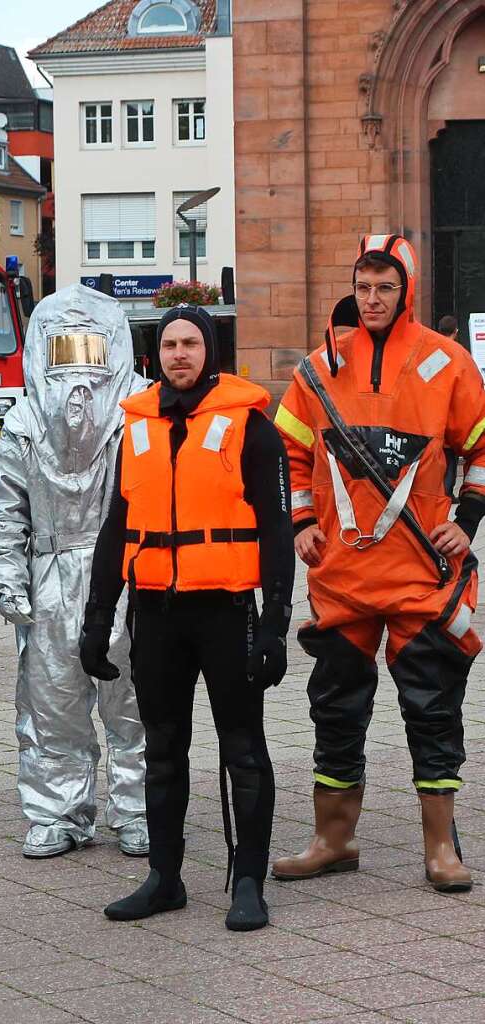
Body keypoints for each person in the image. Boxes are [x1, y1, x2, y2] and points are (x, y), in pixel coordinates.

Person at [272, 234, 485, 893]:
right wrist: (301, 522)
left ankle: (439, 851)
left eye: (383, 288)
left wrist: (465, 522)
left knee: (432, 707)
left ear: (406, 291)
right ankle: (332, 840)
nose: (370, 299)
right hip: (341, 575)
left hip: (423, 576)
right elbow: (290, 455)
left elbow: (480, 447)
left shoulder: (446, 364)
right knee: (334, 707)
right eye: (362, 287)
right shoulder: (319, 367)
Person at [81, 305, 295, 931]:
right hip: (157, 614)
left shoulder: (249, 425)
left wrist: (277, 621)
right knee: (165, 749)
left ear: (211, 351)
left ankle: (248, 881)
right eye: (170, 343)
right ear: (157, 353)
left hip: (227, 613)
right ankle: (164, 878)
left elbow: (277, 528)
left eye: (191, 343)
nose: (180, 354)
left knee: (244, 748)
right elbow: (117, 528)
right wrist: (99, 617)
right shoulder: (137, 426)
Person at [0, 284, 149, 860]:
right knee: (52, 703)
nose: (78, 367)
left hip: (125, 576)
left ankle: (140, 812)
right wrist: (8, 579)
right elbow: (6, 507)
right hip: (50, 574)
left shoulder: (139, 411)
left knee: (133, 702)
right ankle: (58, 813)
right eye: (64, 349)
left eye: (90, 348)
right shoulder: (24, 419)